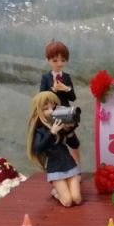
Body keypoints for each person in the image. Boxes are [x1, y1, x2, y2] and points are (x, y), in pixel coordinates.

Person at [27, 91, 82, 207]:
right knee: (67, 202)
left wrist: (69, 130)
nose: (51, 111)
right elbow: (38, 149)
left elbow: (75, 145)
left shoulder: (60, 124)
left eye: (53, 107)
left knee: (77, 199)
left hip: (69, 164)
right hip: (55, 168)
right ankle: (56, 192)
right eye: (46, 109)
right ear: (38, 111)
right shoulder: (40, 131)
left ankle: (64, 189)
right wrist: (52, 133)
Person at [40, 40, 81, 168]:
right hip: (52, 115)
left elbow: (73, 97)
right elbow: (41, 98)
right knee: (53, 142)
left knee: (73, 142)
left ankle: (77, 167)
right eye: (55, 60)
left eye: (63, 60)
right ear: (48, 60)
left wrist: (66, 89)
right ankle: (54, 170)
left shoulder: (67, 77)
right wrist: (53, 90)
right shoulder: (46, 78)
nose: (59, 63)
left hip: (66, 114)